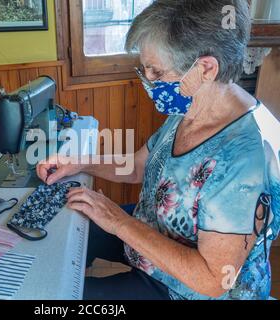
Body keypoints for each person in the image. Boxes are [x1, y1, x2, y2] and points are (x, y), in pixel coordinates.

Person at [37, 0, 280, 300]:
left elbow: (213, 281)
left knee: (58, 298)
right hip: (150, 235)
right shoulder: (192, 105)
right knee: (59, 236)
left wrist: (117, 221)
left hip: (183, 289)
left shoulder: (244, 158)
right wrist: (78, 163)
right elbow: (139, 165)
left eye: (156, 71)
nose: (148, 81)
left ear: (206, 68)